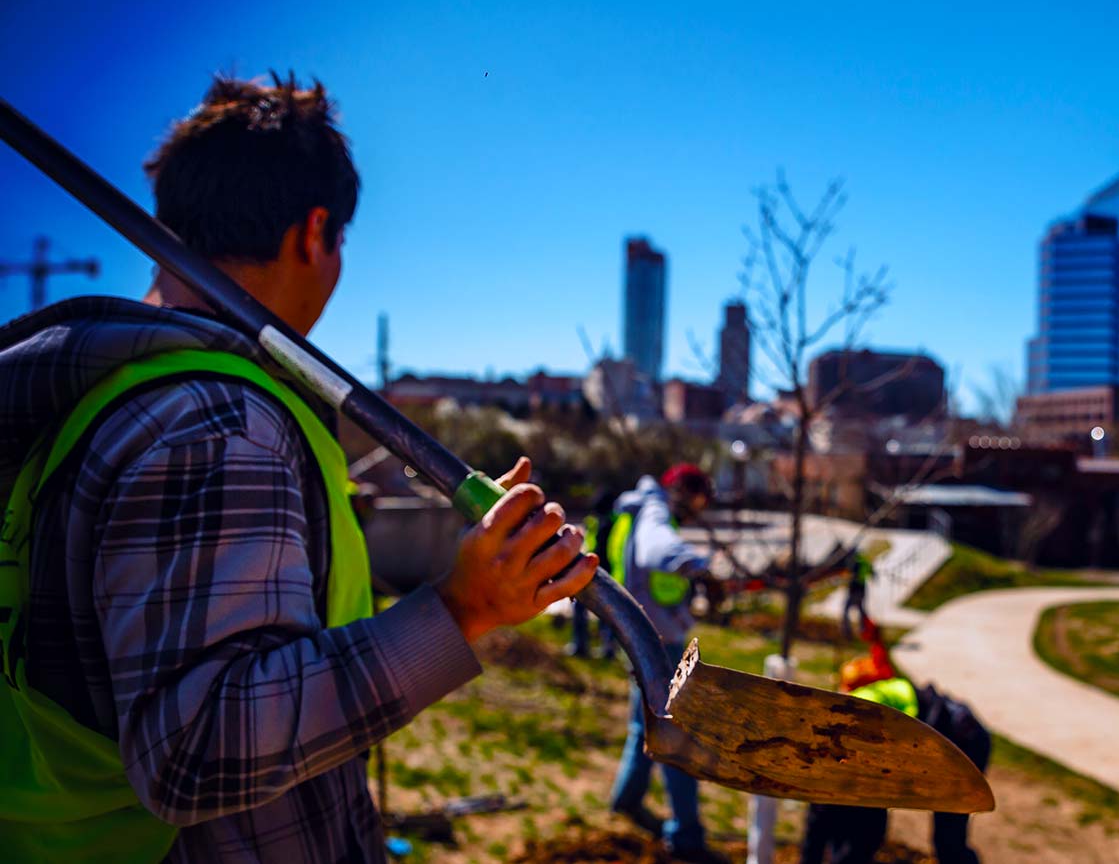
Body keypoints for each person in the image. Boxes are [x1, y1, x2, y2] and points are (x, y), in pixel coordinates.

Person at [0, 74, 599, 863]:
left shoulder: (109, 395)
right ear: (316, 230)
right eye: (341, 242)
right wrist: (462, 610)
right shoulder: (219, 424)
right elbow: (196, 752)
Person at [607, 464, 726, 863]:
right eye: (699, 500)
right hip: (658, 640)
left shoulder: (638, 508)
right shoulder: (655, 510)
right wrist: (703, 569)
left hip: (641, 632)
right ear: (684, 491)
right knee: (675, 735)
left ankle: (625, 799)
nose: (698, 510)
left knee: (644, 724)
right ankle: (687, 835)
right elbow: (656, 549)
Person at [800, 626, 991, 864]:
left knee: (948, 837)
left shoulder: (864, 706)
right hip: (953, 731)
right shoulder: (871, 696)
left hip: (963, 739)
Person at [570, 488, 621, 659]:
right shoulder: (595, 521)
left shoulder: (612, 523)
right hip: (589, 569)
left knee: (606, 613)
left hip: (604, 572)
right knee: (584, 609)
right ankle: (582, 645)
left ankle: (607, 648)